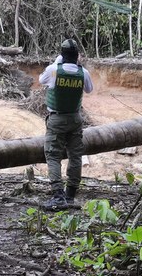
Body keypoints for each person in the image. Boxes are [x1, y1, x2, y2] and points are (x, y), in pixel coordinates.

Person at [39, 39, 93, 211]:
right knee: (75, 156)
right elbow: (89, 90)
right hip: (75, 119)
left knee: (53, 156)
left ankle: (58, 196)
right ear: (77, 56)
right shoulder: (83, 72)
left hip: (57, 119)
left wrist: (57, 61)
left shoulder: (54, 70)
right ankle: (70, 195)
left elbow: (42, 80)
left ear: (62, 54)